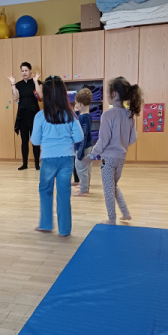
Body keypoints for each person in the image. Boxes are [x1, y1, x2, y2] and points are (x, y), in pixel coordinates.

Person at [31, 75, 83, 237]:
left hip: (48, 159)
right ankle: (65, 229)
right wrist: (67, 140)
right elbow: (79, 137)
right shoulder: (70, 115)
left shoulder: (40, 116)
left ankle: (46, 224)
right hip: (67, 158)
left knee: (45, 190)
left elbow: (35, 140)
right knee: (64, 193)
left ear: (45, 95)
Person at [87, 76, 143, 225]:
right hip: (121, 158)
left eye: (107, 93)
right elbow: (133, 138)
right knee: (113, 186)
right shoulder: (129, 114)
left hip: (108, 159)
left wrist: (92, 155)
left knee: (108, 189)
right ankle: (125, 213)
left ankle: (111, 219)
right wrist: (121, 145)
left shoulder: (108, 114)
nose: (106, 96)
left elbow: (103, 140)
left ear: (113, 94)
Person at [8, 62, 42, 171]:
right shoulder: (18, 84)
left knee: (35, 140)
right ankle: (25, 164)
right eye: (22, 71)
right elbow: (15, 98)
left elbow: (40, 96)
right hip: (22, 115)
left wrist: (35, 81)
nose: (24, 73)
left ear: (30, 71)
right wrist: (13, 83)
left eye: (26, 70)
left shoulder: (37, 82)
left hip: (34, 115)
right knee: (24, 140)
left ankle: (37, 164)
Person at [73, 88, 93, 197]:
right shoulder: (85, 116)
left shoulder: (84, 118)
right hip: (86, 147)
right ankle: (85, 187)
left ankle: (84, 190)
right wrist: (76, 112)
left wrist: (80, 151)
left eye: (76, 104)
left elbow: (83, 136)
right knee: (86, 168)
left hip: (83, 147)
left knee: (81, 168)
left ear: (80, 104)